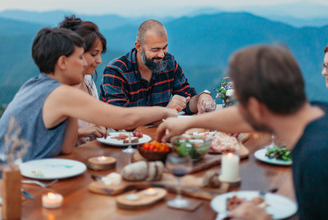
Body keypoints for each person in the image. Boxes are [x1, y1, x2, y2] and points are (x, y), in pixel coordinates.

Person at [157, 45, 328, 219]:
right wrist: (187, 124)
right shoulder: (321, 112)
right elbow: (240, 117)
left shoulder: (322, 159)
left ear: (256, 108)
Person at [0, 28, 177, 162]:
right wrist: (165, 112)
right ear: (62, 62)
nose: (85, 63)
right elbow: (125, 118)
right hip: (13, 183)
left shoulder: (35, 85)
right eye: (80, 58)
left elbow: (67, 148)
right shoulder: (60, 94)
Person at [100, 19, 214, 114]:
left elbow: (188, 100)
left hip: (158, 137)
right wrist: (166, 112)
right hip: (123, 139)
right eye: (155, 50)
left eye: (164, 48)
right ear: (139, 46)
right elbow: (121, 120)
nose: (161, 55)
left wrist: (202, 98)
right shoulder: (116, 71)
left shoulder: (169, 62)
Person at [59, 15, 107, 145]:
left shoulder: (88, 79)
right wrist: (83, 132)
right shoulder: (57, 90)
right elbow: (48, 139)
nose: (99, 61)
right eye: (93, 54)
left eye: (100, 54)